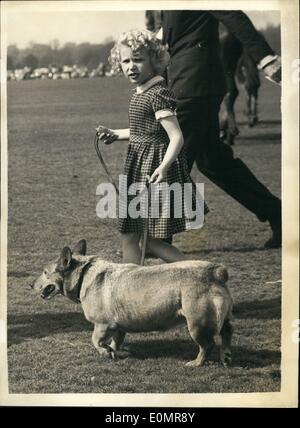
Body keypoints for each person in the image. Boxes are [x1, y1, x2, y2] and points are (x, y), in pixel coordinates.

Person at [150, 10, 281, 249]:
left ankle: (159, 239)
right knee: (214, 161)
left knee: (172, 159)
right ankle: (278, 214)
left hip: (194, 84)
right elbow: (177, 31)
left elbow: (233, 14)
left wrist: (265, 58)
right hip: (190, 82)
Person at [97, 29, 208, 264]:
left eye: (138, 60)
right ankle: (137, 287)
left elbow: (176, 136)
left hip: (152, 169)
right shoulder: (141, 92)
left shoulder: (157, 94)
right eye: (126, 61)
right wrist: (115, 134)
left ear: (155, 61)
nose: (131, 67)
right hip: (138, 166)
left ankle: (196, 274)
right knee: (138, 237)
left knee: (141, 239)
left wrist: (164, 167)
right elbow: (145, 132)